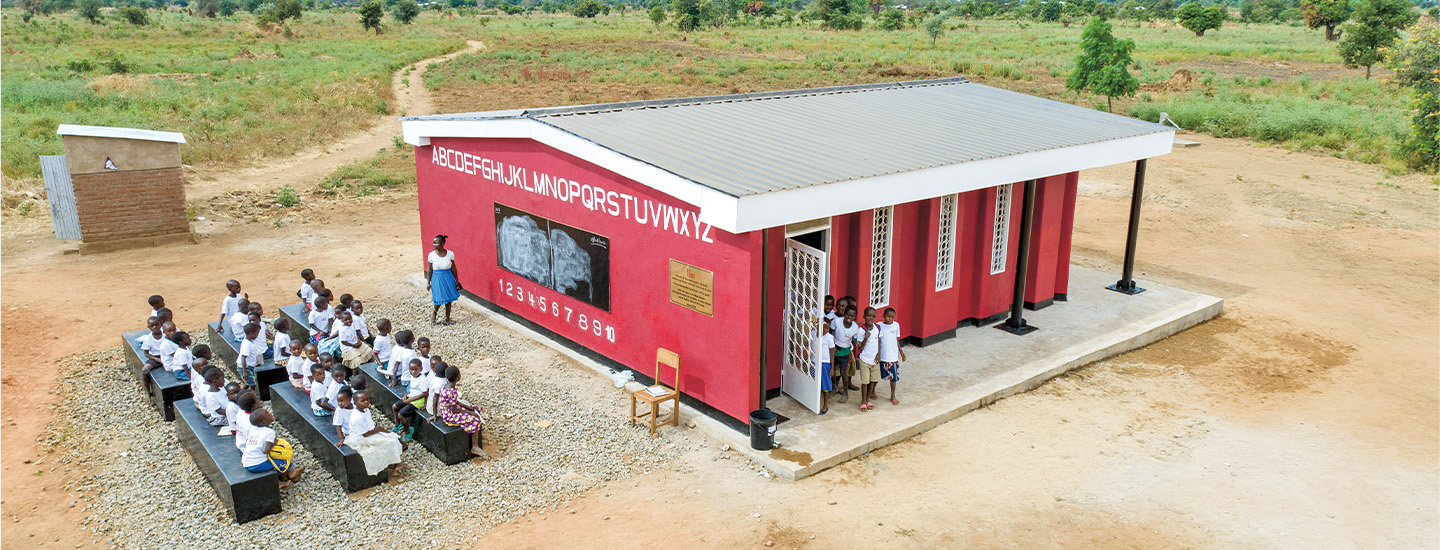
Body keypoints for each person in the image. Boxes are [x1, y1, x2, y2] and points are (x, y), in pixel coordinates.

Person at [338, 391, 406, 476]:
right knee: (389, 442)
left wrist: (381, 430)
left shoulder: (365, 410)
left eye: (367, 399)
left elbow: (371, 425)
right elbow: (365, 434)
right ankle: (392, 464)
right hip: (361, 438)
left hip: (371, 432)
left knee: (392, 436)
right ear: (355, 403)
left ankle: (393, 462)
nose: (366, 402)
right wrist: (378, 430)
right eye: (363, 401)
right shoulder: (357, 417)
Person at [240, 410, 306, 488]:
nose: (270, 414)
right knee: (282, 460)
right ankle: (288, 475)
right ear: (263, 422)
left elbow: (246, 443)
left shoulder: (253, 429)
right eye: (267, 414)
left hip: (246, 462)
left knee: (275, 457)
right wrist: (273, 443)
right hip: (257, 464)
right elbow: (265, 450)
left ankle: (284, 477)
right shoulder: (269, 432)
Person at [435, 366, 485, 457]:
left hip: (445, 410)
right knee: (475, 419)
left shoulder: (445, 386)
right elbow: (454, 409)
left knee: (473, 409)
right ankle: (474, 446)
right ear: (458, 377)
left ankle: (476, 435)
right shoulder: (452, 391)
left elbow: (455, 402)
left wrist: (468, 407)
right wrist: (470, 413)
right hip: (449, 415)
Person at [830, 304, 863, 404]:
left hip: (845, 352)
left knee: (844, 373)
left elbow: (856, 339)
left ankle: (845, 393)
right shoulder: (837, 321)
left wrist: (859, 343)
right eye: (848, 315)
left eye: (852, 316)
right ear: (844, 314)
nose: (849, 317)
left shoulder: (855, 327)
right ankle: (834, 388)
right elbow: (830, 332)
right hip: (835, 350)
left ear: (855, 317)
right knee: (833, 371)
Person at [426, 234, 461, 325]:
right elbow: (430, 270)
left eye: (436, 243)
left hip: (448, 277)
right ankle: (434, 313)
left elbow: (454, 268)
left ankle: (447, 318)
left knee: (449, 299)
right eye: (433, 243)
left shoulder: (450, 254)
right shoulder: (431, 255)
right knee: (439, 298)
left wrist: (456, 280)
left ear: (443, 243)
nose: (434, 245)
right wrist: (428, 282)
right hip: (437, 278)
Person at [854, 307, 882, 411]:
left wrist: (879, 354)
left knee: (873, 380)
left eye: (873, 316)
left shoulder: (877, 327)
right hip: (865, 359)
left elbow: (878, 341)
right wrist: (865, 338)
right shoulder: (861, 330)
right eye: (869, 316)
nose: (871, 318)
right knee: (865, 382)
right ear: (864, 317)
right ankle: (863, 401)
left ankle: (868, 398)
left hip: (875, 360)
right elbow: (860, 346)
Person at [392, 359, 427, 442]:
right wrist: (406, 395)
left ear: (421, 369)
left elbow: (425, 394)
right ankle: (397, 424)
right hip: (411, 397)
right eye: (411, 369)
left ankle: (408, 431)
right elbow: (412, 389)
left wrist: (410, 400)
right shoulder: (412, 377)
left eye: (416, 369)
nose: (413, 372)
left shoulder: (423, 380)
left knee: (401, 415)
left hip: (418, 401)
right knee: (395, 407)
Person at [877, 307, 906, 406]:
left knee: (894, 377)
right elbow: (878, 341)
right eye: (888, 316)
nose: (890, 319)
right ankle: (872, 391)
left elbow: (896, 340)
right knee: (878, 375)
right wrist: (878, 354)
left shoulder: (896, 325)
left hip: (893, 356)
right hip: (883, 356)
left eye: (892, 317)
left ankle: (893, 395)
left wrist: (901, 351)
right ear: (884, 316)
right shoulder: (879, 326)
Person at [815, 320, 836, 414]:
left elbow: (832, 352)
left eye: (827, 328)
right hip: (814, 362)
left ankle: (825, 405)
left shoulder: (829, 337)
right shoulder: (813, 334)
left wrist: (832, 367)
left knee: (825, 384)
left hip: (825, 363)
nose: (825, 330)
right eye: (823, 327)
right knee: (814, 383)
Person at [237, 323, 265, 388]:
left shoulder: (250, 342)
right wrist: (245, 371)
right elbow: (243, 357)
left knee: (248, 382)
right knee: (252, 384)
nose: (258, 335)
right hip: (245, 368)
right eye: (257, 333)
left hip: (249, 366)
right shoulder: (247, 344)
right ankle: (251, 396)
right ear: (251, 333)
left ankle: (241, 394)